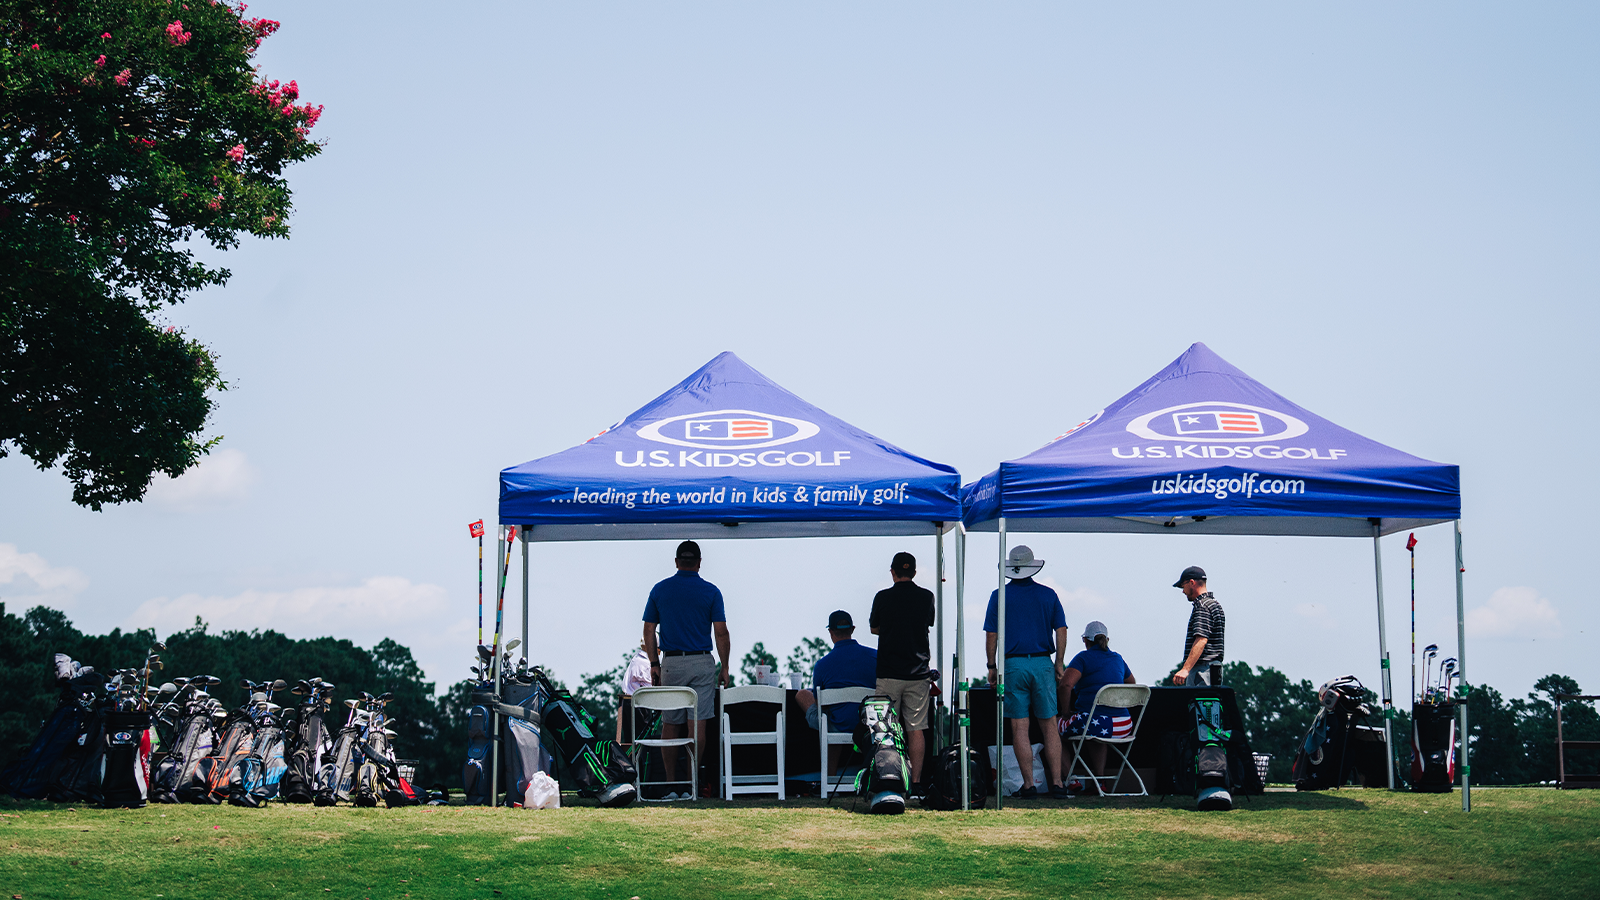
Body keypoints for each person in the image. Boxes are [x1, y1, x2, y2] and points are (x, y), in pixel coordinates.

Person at [642, 540, 731, 795]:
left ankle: (671, 783)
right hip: (702, 660)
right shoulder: (711, 592)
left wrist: (654, 663)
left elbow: (649, 630)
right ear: (700, 563)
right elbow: (721, 633)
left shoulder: (660, 590)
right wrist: (724, 667)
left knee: (670, 725)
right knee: (697, 724)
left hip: (671, 662)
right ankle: (692, 782)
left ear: (676, 562)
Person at [983, 545, 1071, 800]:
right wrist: (1060, 662)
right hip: (1043, 663)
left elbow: (992, 634)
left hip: (1013, 665)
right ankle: (1057, 783)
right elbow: (1062, 629)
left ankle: (1029, 785)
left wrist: (991, 666)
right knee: (1049, 726)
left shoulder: (999, 595)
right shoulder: (1048, 595)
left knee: (1019, 728)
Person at [868, 551, 935, 789]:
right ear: (914, 572)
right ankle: (915, 781)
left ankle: (890, 777)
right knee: (916, 729)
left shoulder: (882, 597)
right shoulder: (927, 596)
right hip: (918, 673)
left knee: (885, 729)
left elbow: (874, 628)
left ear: (893, 572)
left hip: (888, 673)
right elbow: (927, 623)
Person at [794, 610, 878, 775]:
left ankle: (830, 776)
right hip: (869, 725)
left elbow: (819, 704)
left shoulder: (822, 665)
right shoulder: (875, 657)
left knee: (823, 712)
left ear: (831, 632)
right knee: (836, 715)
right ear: (852, 629)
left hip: (838, 725)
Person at [1058, 620, 1136, 788]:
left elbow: (1065, 685)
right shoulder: (1118, 659)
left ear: (1086, 640)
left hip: (1096, 723)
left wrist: (1065, 712)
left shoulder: (1083, 658)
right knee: (1097, 733)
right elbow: (1132, 684)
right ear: (1106, 640)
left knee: (1053, 729)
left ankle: (1070, 779)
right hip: (1124, 725)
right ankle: (1099, 782)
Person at [1172, 565, 1225, 686]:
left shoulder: (1202, 606)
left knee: (1199, 703)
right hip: (1214, 670)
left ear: (1192, 583)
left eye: (1183, 586)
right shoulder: (1214, 605)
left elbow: (1201, 640)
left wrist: (1185, 669)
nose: (1183, 591)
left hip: (1202, 669)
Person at [616, 642, 653, 745]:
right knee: (642, 739)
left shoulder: (636, 659)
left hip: (629, 701)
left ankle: (632, 760)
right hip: (638, 703)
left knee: (630, 740)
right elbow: (649, 685)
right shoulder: (644, 662)